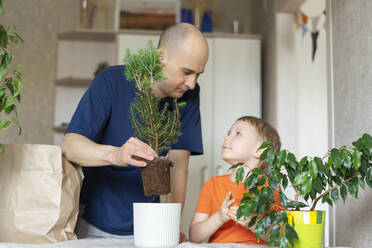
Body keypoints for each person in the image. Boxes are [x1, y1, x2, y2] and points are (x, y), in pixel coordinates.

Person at [61, 23, 209, 238]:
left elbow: (178, 169)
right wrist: (115, 154)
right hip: (93, 224)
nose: (192, 83)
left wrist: (170, 226)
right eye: (186, 72)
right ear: (160, 57)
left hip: (151, 227)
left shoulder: (188, 97)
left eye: (198, 75)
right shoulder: (110, 82)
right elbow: (70, 146)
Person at [189, 116, 283, 244]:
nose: (226, 137)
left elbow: (280, 237)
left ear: (260, 150)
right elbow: (195, 236)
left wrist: (253, 223)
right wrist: (219, 218)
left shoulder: (270, 188)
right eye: (228, 133)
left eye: (238, 133)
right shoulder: (212, 185)